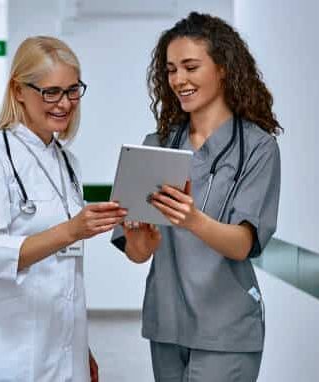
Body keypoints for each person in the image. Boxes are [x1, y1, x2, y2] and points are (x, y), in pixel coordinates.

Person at [111, 12, 282, 382]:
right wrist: (142, 240)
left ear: (223, 68)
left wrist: (192, 220)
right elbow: (137, 252)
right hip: (167, 325)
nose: (178, 80)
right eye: (171, 69)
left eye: (190, 66)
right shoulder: (154, 147)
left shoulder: (257, 148)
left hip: (226, 328)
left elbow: (243, 244)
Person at [0, 36, 126, 382]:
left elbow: (65, 277)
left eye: (73, 91)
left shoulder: (66, 161)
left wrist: (81, 345)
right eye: (51, 92)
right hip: (5, 350)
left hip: (61, 348)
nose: (64, 103)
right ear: (18, 90)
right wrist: (71, 230)